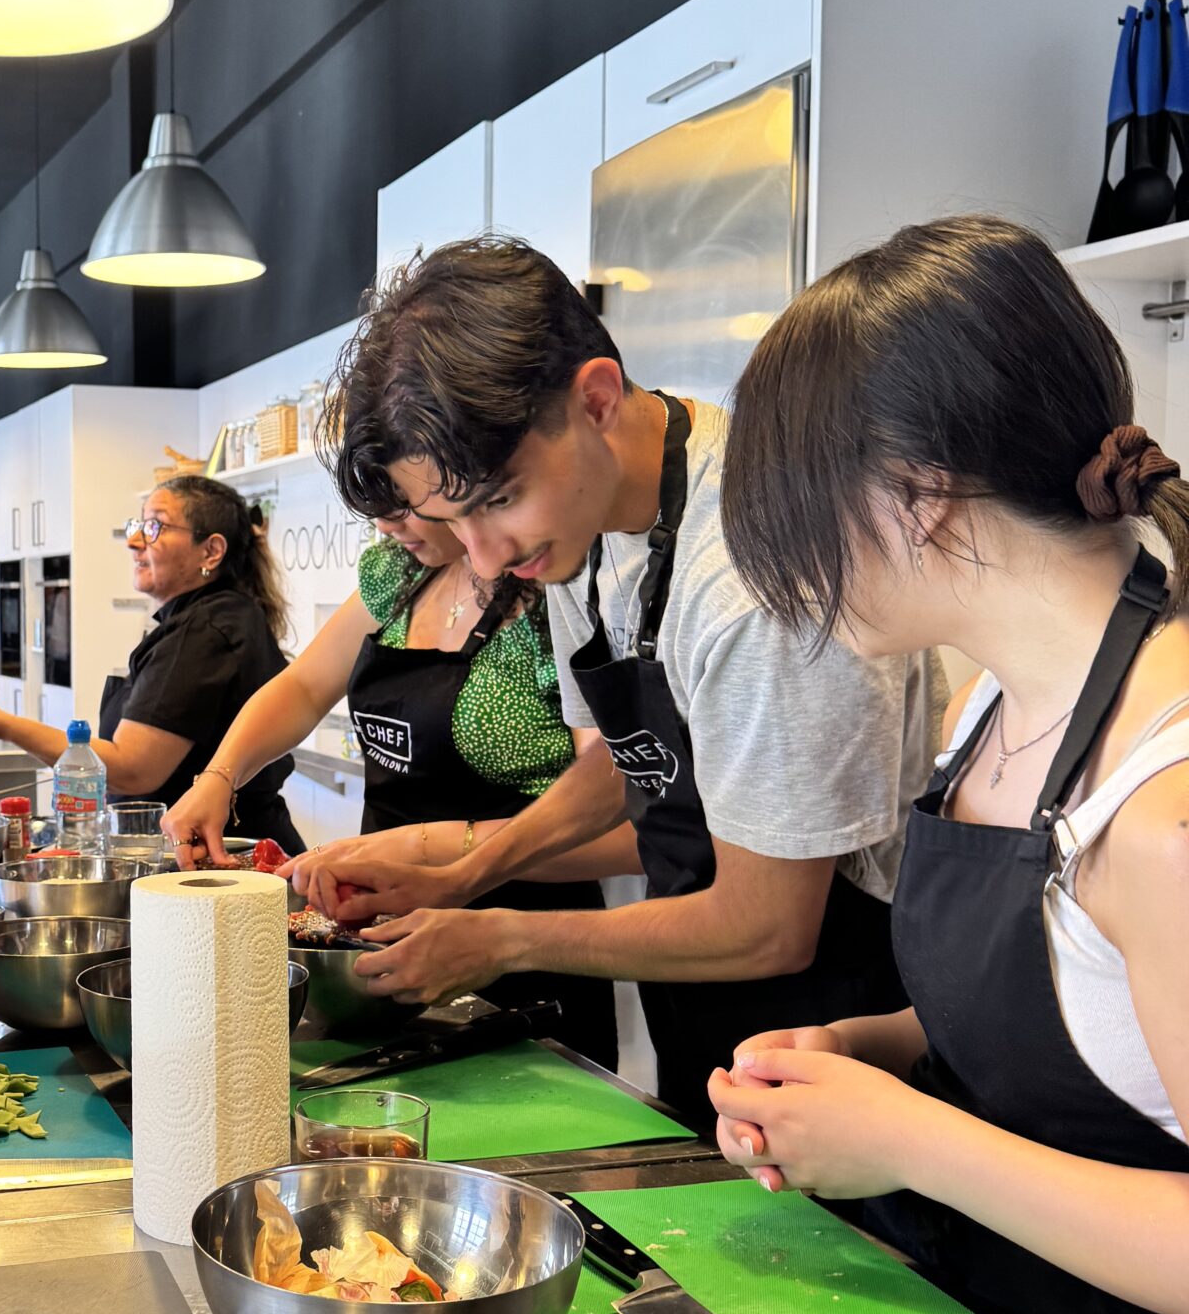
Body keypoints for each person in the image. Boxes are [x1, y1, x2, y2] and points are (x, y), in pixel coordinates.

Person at [293, 238, 936, 1129]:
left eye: (496, 501)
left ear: (595, 399)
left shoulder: (756, 575)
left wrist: (507, 936)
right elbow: (631, 763)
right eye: (451, 521)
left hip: (839, 1022)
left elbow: (769, 924)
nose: (485, 556)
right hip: (706, 1013)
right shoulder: (582, 535)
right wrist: (471, 875)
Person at [708, 216, 1189, 1314]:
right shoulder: (988, 706)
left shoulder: (1161, 805)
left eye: (806, 512)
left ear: (918, 496)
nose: (799, 574)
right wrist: (867, 1058)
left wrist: (913, 1140)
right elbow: (1095, 1015)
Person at [162, 501, 620, 1066]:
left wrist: (423, 845)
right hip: (372, 952)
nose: (385, 523)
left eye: (402, 500)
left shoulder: (556, 597)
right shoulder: (399, 573)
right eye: (374, 505)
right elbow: (303, 687)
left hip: (522, 958)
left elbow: (621, 821)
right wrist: (220, 777)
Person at [0, 476, 304, 849]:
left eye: (155, 526)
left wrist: (0, 724)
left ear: (210, 551)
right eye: (138, 525)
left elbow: (131, 769)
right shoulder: (212, 619)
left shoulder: (204, 633)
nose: (134, 541)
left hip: (222, 860)